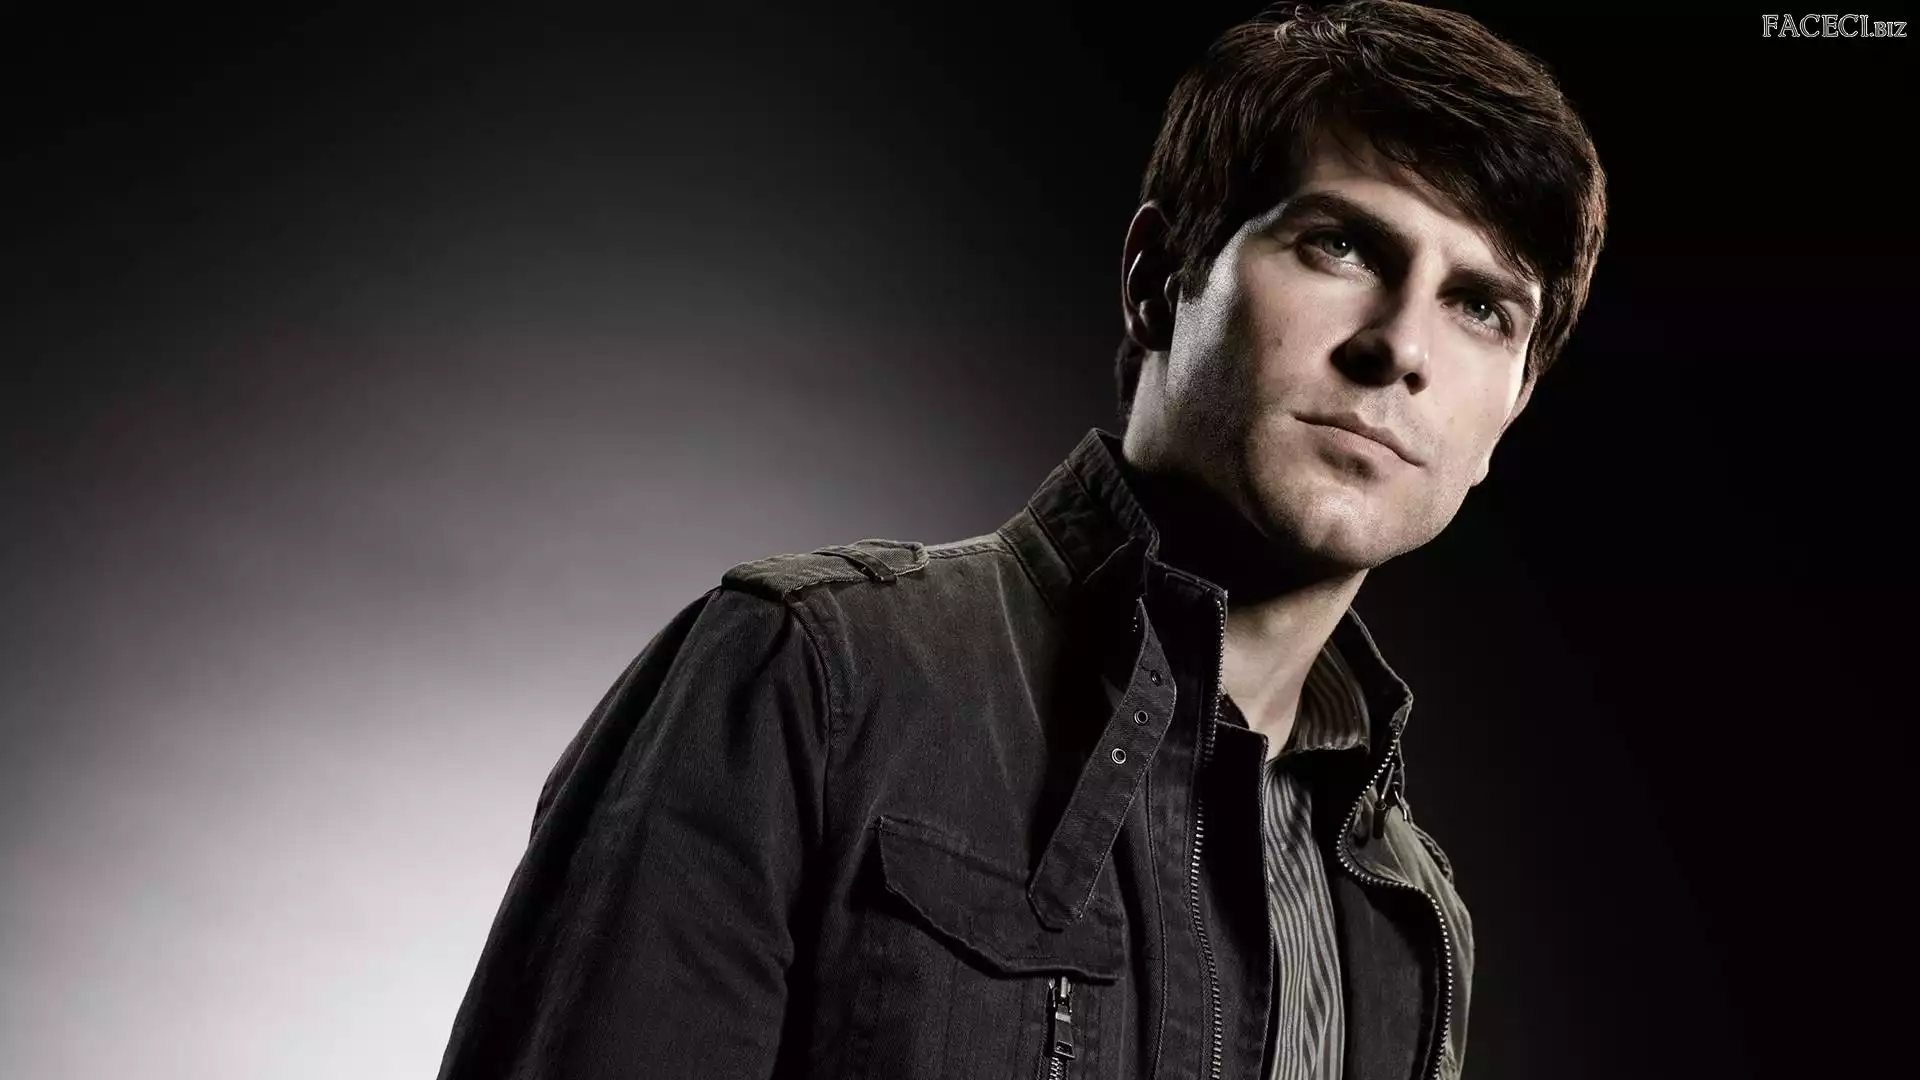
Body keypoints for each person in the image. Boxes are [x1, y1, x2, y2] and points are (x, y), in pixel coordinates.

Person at [435, 2, 1606, 1078]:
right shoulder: (813, 681)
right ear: (1159, 279)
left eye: (1480, 306)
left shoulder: (1412, 915)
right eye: (1341, 246)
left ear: (1506, 414)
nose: (1401, 347)